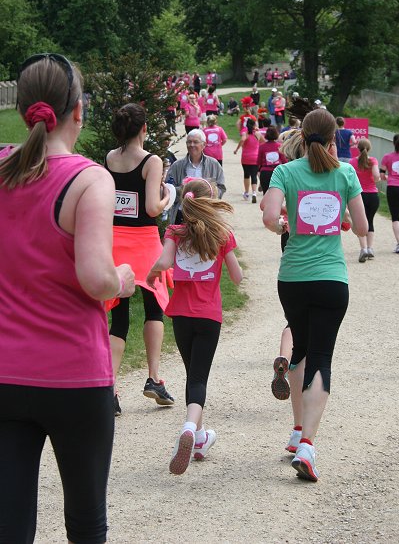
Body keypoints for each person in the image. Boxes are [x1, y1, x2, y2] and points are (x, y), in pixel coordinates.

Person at [0, 53, 135, 543]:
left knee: (8, 523)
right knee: (84, 520)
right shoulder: (89, 179)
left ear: (24, 112)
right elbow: (96, 278)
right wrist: (123, 277)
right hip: (74, 376)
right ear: (78, 111)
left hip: (5, 374)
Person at [262, 108, 367, 481]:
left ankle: (294, 431)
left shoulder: (285, 171)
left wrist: (286, 224)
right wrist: (335, 217)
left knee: (300, 351)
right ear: (335, 136)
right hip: (331, 279)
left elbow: (269, 217)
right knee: (321, 357)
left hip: (292, 279)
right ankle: (306, 444)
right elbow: (361, 226)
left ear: (301, 137)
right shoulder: (346, 173)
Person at [147, 179, 243, 475]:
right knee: (199, 378)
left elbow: (164, 261)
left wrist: (152, 275)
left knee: (192, 375)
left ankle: (200, 439)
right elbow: (237, 277)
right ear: (210, 203)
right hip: (208, 316)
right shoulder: (222, 234)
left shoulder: (175, 232)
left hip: (182, 316)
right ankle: (189, 428)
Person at [105, 103, 175, 414]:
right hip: (145, 243)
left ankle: (109, 389)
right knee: (153, 309)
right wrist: (168, 196)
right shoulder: (152, 160)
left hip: (115, 242)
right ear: (144, 129)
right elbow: (151, 208)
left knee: (117, 319)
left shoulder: (110, 158)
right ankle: (154, 379)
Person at [166, 129, 226, 224]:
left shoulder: (214, 164)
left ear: (204, 145)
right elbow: (168, 189)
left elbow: (221, 187)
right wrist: (184, 190)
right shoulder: (177, 166)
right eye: (189, 142)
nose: (192, 145)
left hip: (206, 213)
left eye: (195, 142)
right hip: (182, 213)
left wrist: (208, 194)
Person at [349, 138, 380, 262]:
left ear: (358, 148)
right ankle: (370, 248)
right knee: (370, 221)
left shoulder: (352, 162)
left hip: (358, 195)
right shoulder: (373, 161)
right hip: (372, 195)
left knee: (359, 222)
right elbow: (377, 176)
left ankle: (363, 249)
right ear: (369, 148)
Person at [234, 118, 264, 203]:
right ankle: (254, 193)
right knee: (254, 175)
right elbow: (263, 141)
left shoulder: (245, 133)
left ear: (246, 125)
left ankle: (247, 192)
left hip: (246, 157)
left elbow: (242, 140)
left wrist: (237, 149)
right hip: (255, 157)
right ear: (255, 125)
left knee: (246, 175)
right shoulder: (257, 134)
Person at [257, 125, 287, 193]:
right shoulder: (279, 146)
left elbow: (258, 162)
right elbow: (284, 161)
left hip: (265, 172)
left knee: (266, 193)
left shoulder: (262, 147)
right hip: (277, 172)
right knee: (276, 192)